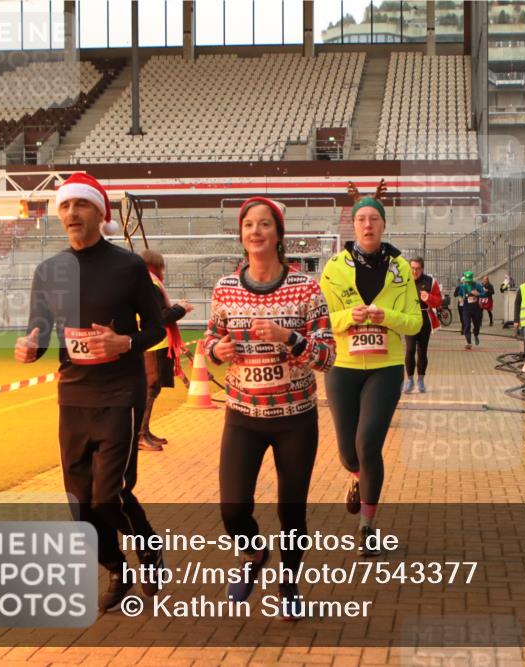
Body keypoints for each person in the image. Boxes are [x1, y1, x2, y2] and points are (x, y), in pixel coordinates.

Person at [14, 172, 165, 612]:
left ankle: (148, 550)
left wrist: (126, 343)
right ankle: (117, 568)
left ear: (100, 212)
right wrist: (29, 347)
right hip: (73, 395)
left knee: (108, 493)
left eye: (80, 205)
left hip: (120, 390)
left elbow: (156, 327)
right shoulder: (48, 271)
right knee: (79, 504)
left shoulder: (129, 266)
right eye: (64, 206)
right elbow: (38, 331)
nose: (72, 213)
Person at [204, 196, 335, 618]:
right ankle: (254, 553)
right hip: (242, 416)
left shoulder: (306, 289)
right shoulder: (224, 288)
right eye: (248, 225)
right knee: (232, 509)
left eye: (264, 224)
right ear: (241, 234)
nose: (255, 231)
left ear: (278, 235)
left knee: (291, 509)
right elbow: (208, 341)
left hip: (295, 417)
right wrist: (217, 349)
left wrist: (288, 338)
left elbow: (327, 355)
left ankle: (290, 585)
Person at [320, 184, 422, 556]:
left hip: (386, 367)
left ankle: (367, 526)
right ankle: (355, 479)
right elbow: (321, 320)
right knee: (349, 454)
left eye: (374, 219)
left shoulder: (400, 270)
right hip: (343, 366)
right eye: (361, 219)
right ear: (353, 225)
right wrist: (350, 316)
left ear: (383, 225)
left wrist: (387, 316)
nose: (367, 225)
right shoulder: (333, 269)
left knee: (368, 444)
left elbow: (414, 323)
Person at [137, 249, 193, 452]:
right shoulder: (150, 284)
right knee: (150, 388)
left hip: (153, 343)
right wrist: (181, 309)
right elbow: (159, 317)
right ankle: (140, 435)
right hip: (153, 344)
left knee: (152, 388)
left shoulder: (146, 283)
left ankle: (144, 431)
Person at [403, 256, 443, 394]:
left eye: (417, 269)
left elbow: (439, 302)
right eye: (412, 268)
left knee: (422, 352)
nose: (414, 271)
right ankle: (409, 380)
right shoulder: (403, 280)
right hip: (409, 320)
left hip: (424, 320)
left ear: (422, 269)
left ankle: (420, 379)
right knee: (409, 350)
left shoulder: (430, 282)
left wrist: (429, 298)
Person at [454, 270, 485, 350]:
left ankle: (476, 334)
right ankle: (468, 342)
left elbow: (484, 293)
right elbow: (459, 294)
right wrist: (461, 298)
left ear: (472, 280)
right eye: (466, 281)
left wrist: (478, 294)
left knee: (477, 324)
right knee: (467, 325)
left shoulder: (477, 285)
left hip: (476, 308)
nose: (467, 283)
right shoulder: (462, 286)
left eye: (469, 281)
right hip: (466, 308)